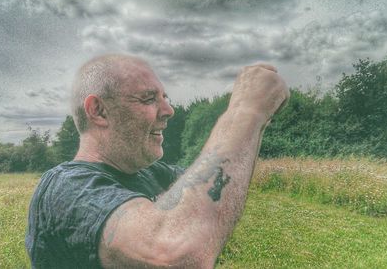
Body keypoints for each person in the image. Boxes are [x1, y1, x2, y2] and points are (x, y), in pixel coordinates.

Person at [25, 54, 289, 268]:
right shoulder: (66, 187)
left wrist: (260, 122)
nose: (168, 111)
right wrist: (246, 111)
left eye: (165, 98)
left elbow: (213, 192)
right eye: (149, 99)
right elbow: (176, 254)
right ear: (99, 111)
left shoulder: (152, 173)